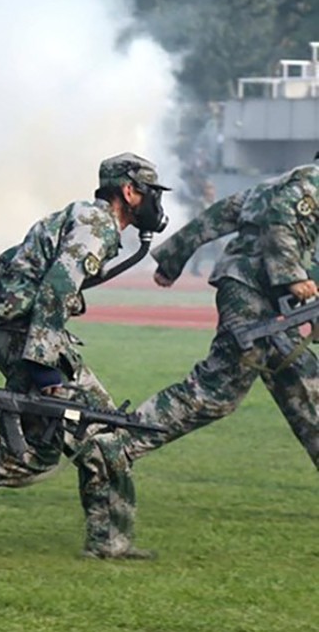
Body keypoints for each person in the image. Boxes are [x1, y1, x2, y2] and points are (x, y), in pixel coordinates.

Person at [0, 152, 170, 559]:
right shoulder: (97, 227)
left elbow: (1, 267)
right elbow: (55, 292)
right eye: (151, 194)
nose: (156, 205)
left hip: (22, 333)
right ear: (129, 192)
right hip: (30, 339)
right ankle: (108, 543)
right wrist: (47, 376)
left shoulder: (80, 216)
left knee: (37, 455)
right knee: (106, 435)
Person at [96, 161, 319, 473]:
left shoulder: (282, 181)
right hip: (252, 294)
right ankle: (117, 444)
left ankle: (118, 444)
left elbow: (222, 213)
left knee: (308, 388)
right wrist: (292, 277)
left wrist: (174, 256)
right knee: (217, 391)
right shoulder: (313, 182)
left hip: (260, 297)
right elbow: (281, 219)